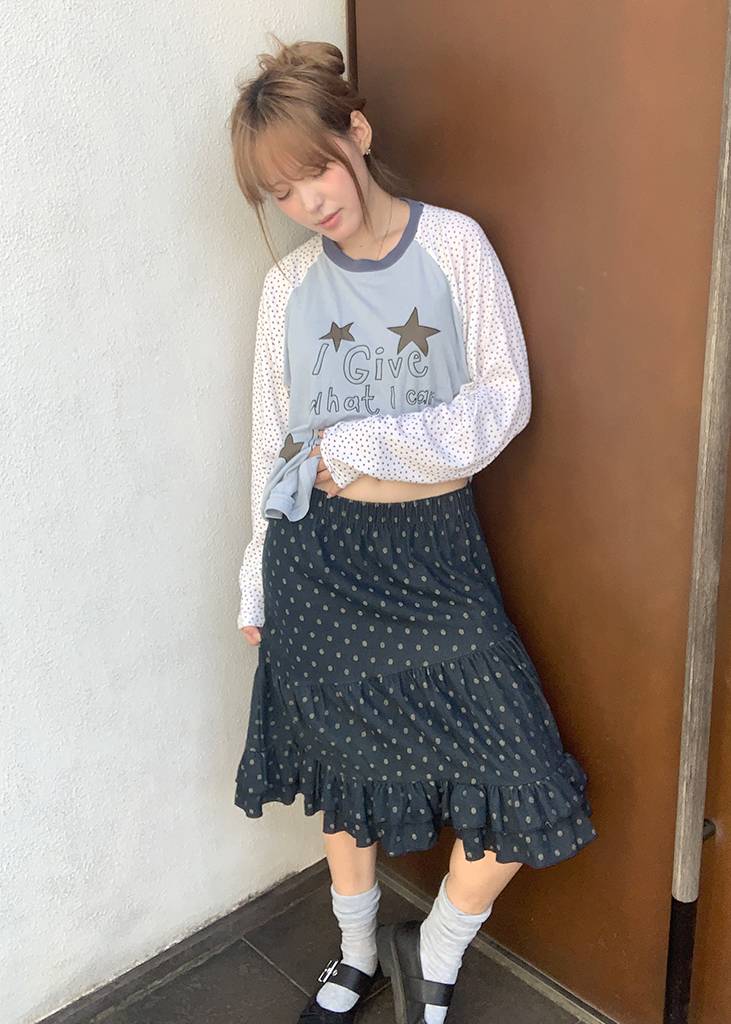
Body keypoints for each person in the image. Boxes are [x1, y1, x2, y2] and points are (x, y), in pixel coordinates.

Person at [229, 39, 596, 1024]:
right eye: (281, 191)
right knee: (342, 775)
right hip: (318, 561)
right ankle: (356, 955)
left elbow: (504, 399)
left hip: (434, 556)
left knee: (525, 774)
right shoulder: (286, 290)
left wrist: (368, 441)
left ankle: (429, 950)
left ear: (356, 132)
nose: (307, 201)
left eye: (315, 169)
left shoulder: (453, 247)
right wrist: (256, 576)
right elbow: (273, 444)